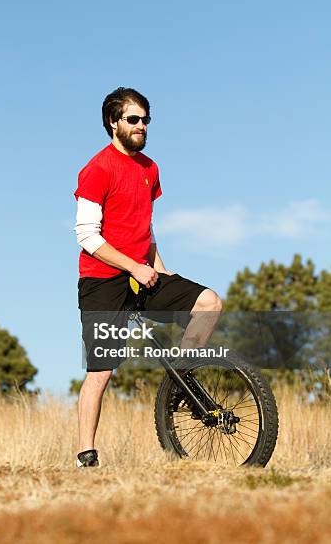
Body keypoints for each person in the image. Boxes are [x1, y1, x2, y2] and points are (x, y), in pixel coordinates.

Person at [74, 87, 222, 468]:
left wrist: (159, 266)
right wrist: (133, 266)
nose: (141, 126)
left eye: (146, 120)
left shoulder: (149, 169)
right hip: (103, 281)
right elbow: (87, 236)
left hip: (144, 273)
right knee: (101, 373)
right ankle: (85, 455)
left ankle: (178, 386)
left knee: (208, 302)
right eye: (133, 119)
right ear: (113, 122)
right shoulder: (97, 169)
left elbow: (144, 227)